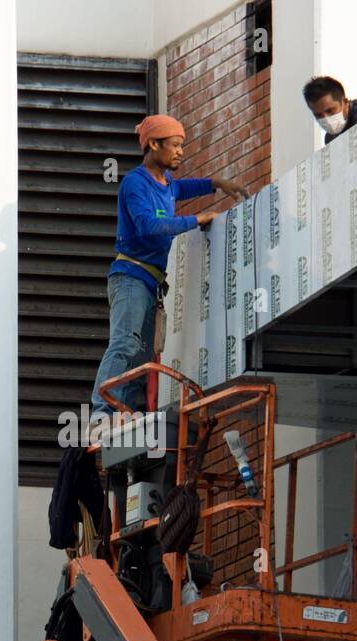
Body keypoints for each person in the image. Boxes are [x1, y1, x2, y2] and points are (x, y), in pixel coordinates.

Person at [89, 114, 249, 418]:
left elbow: (185, 188)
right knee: (125, 343)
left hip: (149, 282)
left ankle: (121, 412)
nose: (180, 151)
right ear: (153, 143)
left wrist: (216, 183)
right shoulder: (135, 183)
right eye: (175, 145)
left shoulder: (167, 184)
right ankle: (101, 412)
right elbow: (148, 225)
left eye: (182, 146)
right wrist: (196, 219)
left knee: (141, 355)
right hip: (131, 276)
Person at [303, 76, 357, 145]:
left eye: (330, 111)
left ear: (345, 102)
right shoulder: (330, 139)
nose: (326, 119)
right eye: (318, 115)